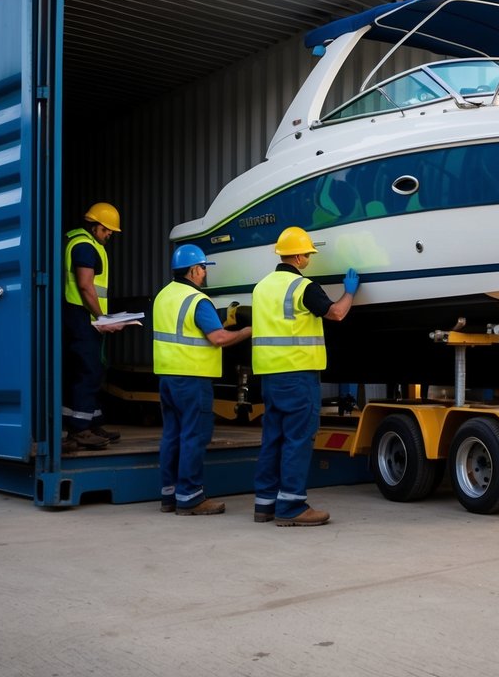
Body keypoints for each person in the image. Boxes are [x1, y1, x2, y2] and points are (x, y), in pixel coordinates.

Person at [251, 226, 358, 527]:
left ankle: (265, 505)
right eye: (309, 254)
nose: (309, 258)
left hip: (270, 377)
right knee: (298, 440)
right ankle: (292, 507)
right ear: (298, 256)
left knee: (273, 440)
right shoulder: (302, 287)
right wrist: (349, 291)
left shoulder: (261, 287)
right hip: (298, 376)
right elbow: (336, 313)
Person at [153, 244, 252, 516]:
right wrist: (246, 331)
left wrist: (221, 322)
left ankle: (170, 496)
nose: (204, 275)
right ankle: (191, 497)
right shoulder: (198, 300)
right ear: (195, 269)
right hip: (193, 379)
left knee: (172, 436)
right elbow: (218, 338)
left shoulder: (163, 296)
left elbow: (182, 329)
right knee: (193, 437)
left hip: (168, 378)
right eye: (203, 269)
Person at [63, 202, 136, 450]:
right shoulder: (84, 246)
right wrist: (102, 317)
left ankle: (91, 421)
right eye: (107, 231)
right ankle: (79, 429)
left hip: (83, 317)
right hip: (81, 316)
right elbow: (85, 285)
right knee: (88, 370)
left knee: (91, 368)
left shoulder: (86, 243)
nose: (110, 235)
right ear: (95, 226)